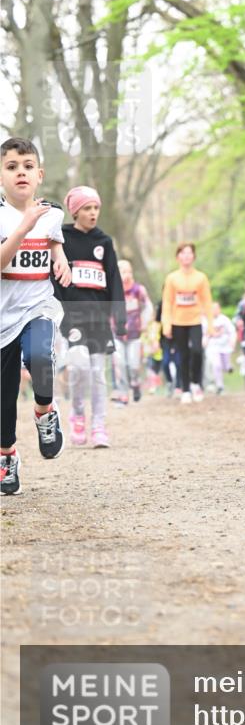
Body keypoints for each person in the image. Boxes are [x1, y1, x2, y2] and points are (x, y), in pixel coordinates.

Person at [0, 137, 71, 495]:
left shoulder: (52, 213)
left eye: (27, 166)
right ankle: (7, 456)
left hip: (38, 305)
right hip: (2, 320)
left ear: (39, 174)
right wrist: (22, 228)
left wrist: (60, 257)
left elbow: (53, 238)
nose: (20, 173)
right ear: (1, 176)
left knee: (41, 356)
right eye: (11, 167)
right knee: (4, 397)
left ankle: (45, 412)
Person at [54, 185, 126, 448]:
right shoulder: (62, 239)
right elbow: (56, 279)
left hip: (98, 317)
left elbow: (114, 279)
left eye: (96, 208)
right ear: (75, 212)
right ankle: (77, 414)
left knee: (97, 372)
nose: (93, 213)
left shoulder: (104, 242)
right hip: (73, 316)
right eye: (87, 208)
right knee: (79, 366)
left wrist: (119, 316)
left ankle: (98, 426)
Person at [161, 242, 213, 404]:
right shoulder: (171, 278)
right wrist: (166, 324)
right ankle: (185, 389)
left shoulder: (201, 278)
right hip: (177, 321)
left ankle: (196, 383)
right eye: (183, 253)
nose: (186, 256)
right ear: (178, 257)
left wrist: (210, 324)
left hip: (195, 320)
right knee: (182, 355)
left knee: (197, 351)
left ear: (194, 257)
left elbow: (207, 301)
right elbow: (167, 302)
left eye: (189, 253)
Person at [114, 259, 153, 403]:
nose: (127, 275)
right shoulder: (112, 290)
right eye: (123, 272)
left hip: (135, 333)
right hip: (117, 334)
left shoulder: (138, 290)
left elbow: (148, 307)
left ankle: (136, 383)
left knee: (133, 364)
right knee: (120, 364)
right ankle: (123, 392)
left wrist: (144, 322)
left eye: (129, 271)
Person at [206, 301, 236, 393]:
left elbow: (232, 331)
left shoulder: (224, 320)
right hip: (213, 347)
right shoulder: (207, 320)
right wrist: (204, 341)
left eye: (216, 308)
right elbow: (204, 333)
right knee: (216, 365)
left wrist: (232, 342)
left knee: (225, 366)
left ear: (219, 309)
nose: (214, 311)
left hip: (225, 346)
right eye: (212, 309)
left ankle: (228, 367)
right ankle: (220, 385)